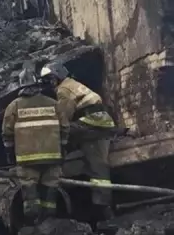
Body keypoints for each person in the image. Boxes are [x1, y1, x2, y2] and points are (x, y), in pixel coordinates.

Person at [40, 61, 118, 220]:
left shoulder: (63, 90)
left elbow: (63, 118)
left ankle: (104, 209)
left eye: (51, 79)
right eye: (47, 80)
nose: (50, 83)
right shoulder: (72, 84)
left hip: (92, 126)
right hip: (99, 122)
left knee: (97, 166)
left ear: (58, 75)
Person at [2, 66, 63, 225]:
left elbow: (7, 133)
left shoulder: (14, 106)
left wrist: (9, 153)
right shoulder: (53, 104)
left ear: (21, 86)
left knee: (30, 197)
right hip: (52, 158)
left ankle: (33, 226)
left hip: (27, 160)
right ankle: (50, 225)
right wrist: (63, 147)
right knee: (50, 195)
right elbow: (65, 128)